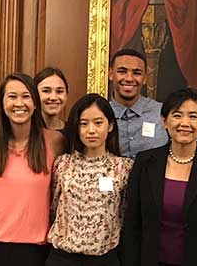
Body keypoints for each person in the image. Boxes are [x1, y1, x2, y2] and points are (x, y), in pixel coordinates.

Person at [121, 88, 197, 266]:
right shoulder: (145, 162)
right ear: (164, 121)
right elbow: (132, 222)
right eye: (177, 115)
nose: (185, 123)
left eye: (193, 116)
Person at [0, 73, 66, 265]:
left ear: (35, 103)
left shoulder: (55, 141)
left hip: (34, 249)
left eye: (26, 96)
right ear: (3, 103)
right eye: (12, 96)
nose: (19, 103)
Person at [46, 94, 133, 266]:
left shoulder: (123, 168)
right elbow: (53, 206)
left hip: (104, 258)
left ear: (110, 126)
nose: (91, 130)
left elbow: (124, 212)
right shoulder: (63, 164)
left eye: (98, 123)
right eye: (83, 124)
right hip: (63, 258)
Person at [108, 49, 167, 158]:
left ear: (145, 78)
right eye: (122, 71)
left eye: (136, 73)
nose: (129, 78)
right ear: (111, 74)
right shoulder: (102, 114)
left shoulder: (162, 113)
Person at [35, 67, 69, 133]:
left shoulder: (74, 132)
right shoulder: (26, 133)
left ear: (66, 94)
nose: (53, 97)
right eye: (46, 91)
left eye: (59, 91)